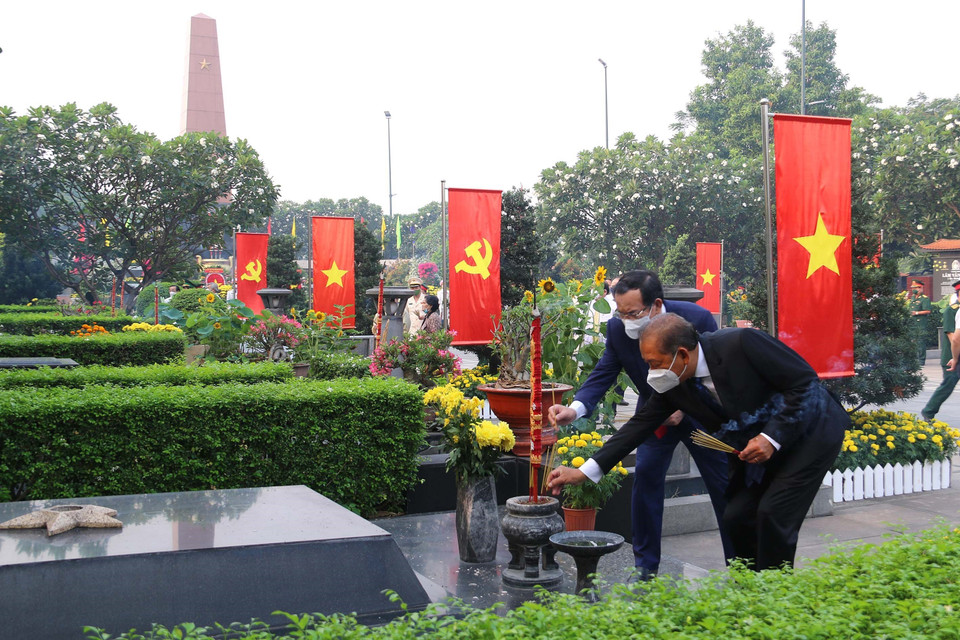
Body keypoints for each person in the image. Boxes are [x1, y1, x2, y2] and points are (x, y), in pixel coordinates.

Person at [548, 313, 849, 571]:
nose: (652, 372)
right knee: (736, 515)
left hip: (810, 432)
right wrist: (584, 472)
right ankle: (747, 588)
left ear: (682, 354)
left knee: (773, 513)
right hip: (756, 447)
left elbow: (804, 383)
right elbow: (638, 426)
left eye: (655, 363)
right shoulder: (675, 385)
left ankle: (773, 595)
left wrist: (771, 437)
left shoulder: (741, 343)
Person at [547, 270, 733, 579]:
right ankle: (645, 567)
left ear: (656, 305)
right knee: (645, 480)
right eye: (620, 313)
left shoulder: (696, 318)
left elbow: (713, 374)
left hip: (701, 417)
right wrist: (575, 409)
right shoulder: (618, 329)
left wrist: (684, 407)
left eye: (633, 313)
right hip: (653, 417)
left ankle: (741, 567)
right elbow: (605, 371)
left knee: (724, 486)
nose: (626, 320)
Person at [925, 279, 960, 419]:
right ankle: (928, 412)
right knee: (948, 385)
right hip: (951, 355)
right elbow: (952, 336)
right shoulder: (951, 311)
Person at [908, 280, 932, 366]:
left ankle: (921, 360)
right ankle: (913, 359)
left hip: (920, 324)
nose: (913, 289)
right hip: (912, 323)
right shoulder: (913, 297)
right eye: (912, 288)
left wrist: (917, 313)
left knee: (920, 342)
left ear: (920, 288)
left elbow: (928, 311)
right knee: (912, 341)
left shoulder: (925, 299)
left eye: (915, 288)